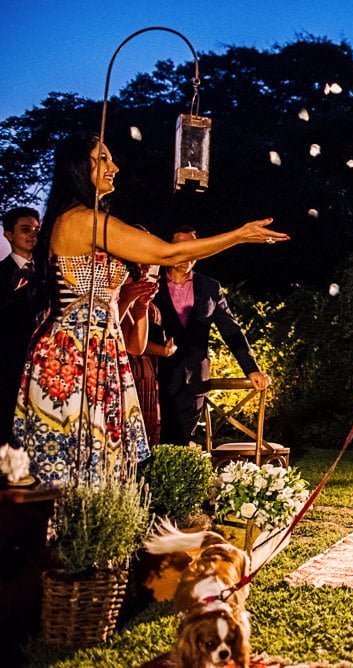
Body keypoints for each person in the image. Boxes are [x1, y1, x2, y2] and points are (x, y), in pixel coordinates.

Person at [13, 132, 287, 485]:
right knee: (72, 470)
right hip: (75, 355)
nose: (115, 167)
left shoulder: (87, 218)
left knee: (99, 471)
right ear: (79, 168)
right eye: (103, 159)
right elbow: (167, 253)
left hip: (99, 349)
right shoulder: (81, 220)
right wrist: (238, 235)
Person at [155, 226, 270, 445]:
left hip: (194, 379)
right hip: (156, 375)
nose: (186, 251)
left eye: (193, 246)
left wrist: (251, 368)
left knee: (180, 443)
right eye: (180, 245)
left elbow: (231, 331)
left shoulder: (209, 287)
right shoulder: (152, 283)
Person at [1, 207, 42, 445]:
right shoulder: (1, 274)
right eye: (25, 230)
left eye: (36, 230)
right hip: (9, 366)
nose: (32, 235)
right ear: (8, 234)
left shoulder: (49, 273)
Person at [120, 262, 173, 445]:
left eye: (151, 273)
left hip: (141, 371)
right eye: (141, 269)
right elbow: (109, 332)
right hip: (116, 371)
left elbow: (136, 346)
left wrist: (142, 306)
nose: (145, 275)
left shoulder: (142, 302)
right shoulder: (114, 295)